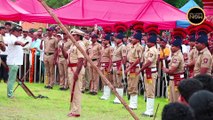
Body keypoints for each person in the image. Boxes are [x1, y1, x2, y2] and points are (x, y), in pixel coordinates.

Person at [61, 29, 85, 118]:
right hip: (71, 67)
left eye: (74, 35)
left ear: (78, 36)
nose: (72, 37)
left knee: (77, 90)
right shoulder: (72, 45)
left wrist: (76, 73)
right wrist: (62, 48)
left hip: (76, 68)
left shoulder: (80, 44)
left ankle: (76, 111)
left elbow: (81, 59)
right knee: (72, 90)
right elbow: (66, 56)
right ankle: (73, 109)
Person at [137, 24, 159, 117]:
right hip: (148, 72)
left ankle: (150, 111)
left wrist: (141, 69)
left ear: (153, 43)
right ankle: (147, 110)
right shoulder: (148, 49)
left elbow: (148, 62)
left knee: (150, 92)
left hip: (151, 72)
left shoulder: (152, 50)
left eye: (148, 42)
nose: (147, 43)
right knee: (147, 90)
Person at [163, 28, 186, 103]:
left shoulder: (177, 56)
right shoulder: (175, 55)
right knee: (172, 99)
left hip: (177, 80)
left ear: (178, 47)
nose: (171, 48)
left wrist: (165, 70)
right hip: (173, 79)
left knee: (176, 99)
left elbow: (172, 70)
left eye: (173, 46)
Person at [125, 21, 144, 110]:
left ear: (137, 39)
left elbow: (139, 59)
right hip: (130, 67)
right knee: (130, 84)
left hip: (134, 68)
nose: (131, 39)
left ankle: (134, 104)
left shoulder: (139, 47)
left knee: (133, 85)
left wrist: (129, 67)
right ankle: (131, 103)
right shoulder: (131, 46)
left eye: (133, 38)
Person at [6, 26, 28, 98]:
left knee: (12, 78)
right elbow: (16, 42)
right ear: (13, 31)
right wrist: (21, 43)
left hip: (15, 62)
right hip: (13, 62)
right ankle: (10, 94)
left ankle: (10, 93)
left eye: (20, 31)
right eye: (18, 31)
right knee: (11, 79)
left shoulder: (15, 37)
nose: (20, 32)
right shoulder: (12, 37)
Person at [112, 23, 127, 104]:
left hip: (119, 66)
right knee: (115, 82)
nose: (115, 40)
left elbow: (124, 58)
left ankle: (120, 98)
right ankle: (116, 97)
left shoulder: (123, 47)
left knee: (119, 83)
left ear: (120, 39)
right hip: (114, 66)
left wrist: (120, 68)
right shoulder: (116, 46)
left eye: (117, 39)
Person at [100, 26, 113, 100]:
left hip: (107, 65)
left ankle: (107, 95)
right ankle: (104, 94)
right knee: (103, 80)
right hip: (102, 64)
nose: (103, 41)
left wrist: (109, 68)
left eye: (104, 40)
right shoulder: (103, 47)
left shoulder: (110, 48)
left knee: (107, 80)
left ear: (108, 41)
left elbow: (111, 58)